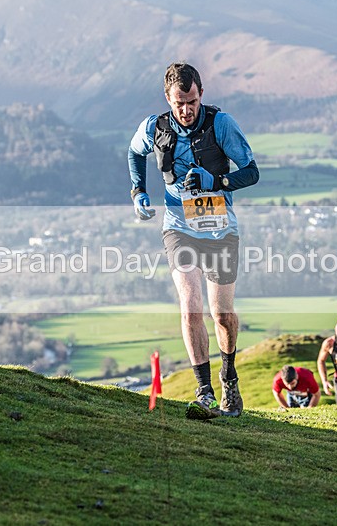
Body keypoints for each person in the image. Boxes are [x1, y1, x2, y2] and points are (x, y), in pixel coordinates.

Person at [127, 63, 259, 420]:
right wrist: (139, 191)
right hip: (178, 227)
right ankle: (205, 392)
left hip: (220, 228)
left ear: (201, 93)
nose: (186, 110)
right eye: (179, 103)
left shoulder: (221, 124)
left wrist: (216, 181)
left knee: (222, 313)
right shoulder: (154, 127)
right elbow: (134, 153)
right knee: (190, 304)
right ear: (167, 99)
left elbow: (251, 172)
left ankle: (228, 375)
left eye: (192, 101)